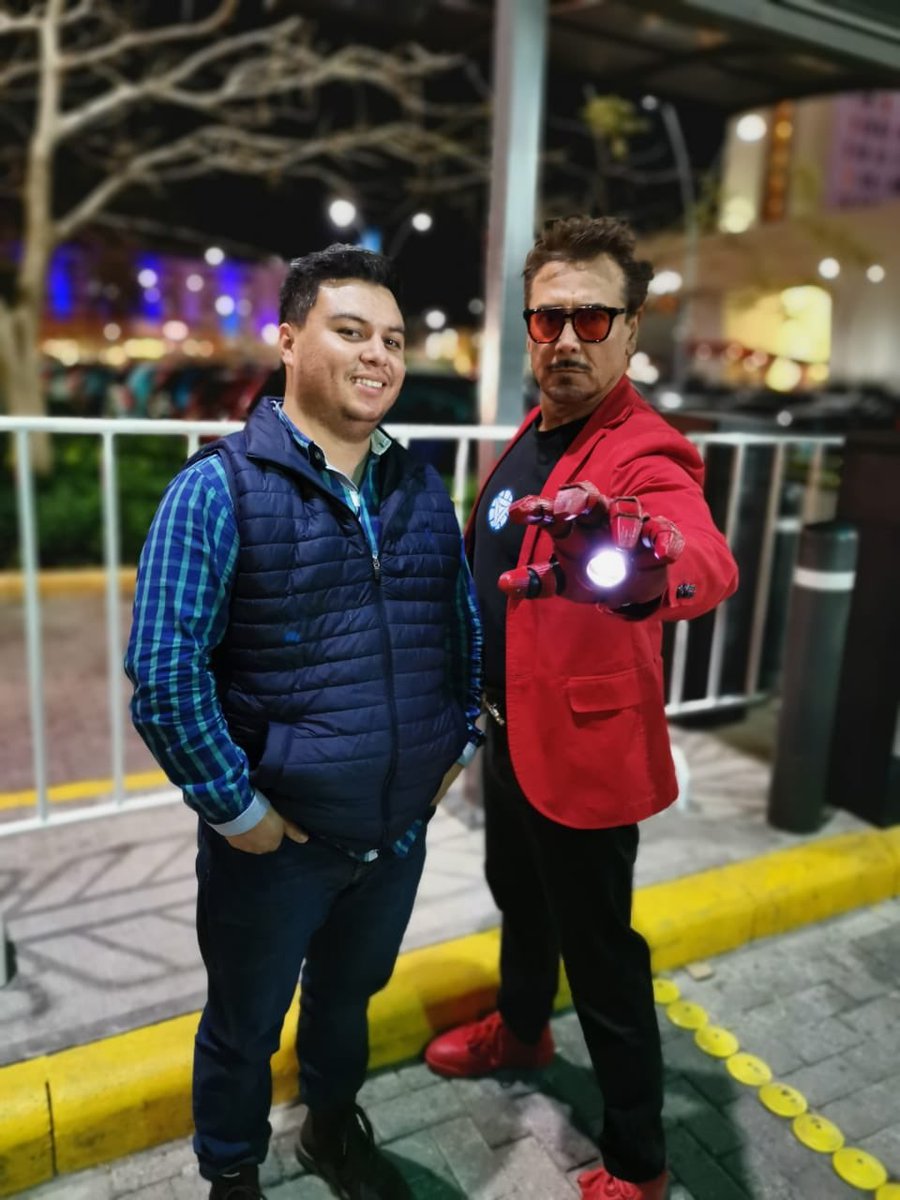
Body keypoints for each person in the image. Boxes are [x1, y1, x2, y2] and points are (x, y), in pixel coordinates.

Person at [125, 244, 482, 1200]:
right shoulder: (219, 489)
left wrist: (458, 745)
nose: (378, 356)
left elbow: (462, 630)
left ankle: (331, 1128)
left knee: (346, 1000)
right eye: (351, 331)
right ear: (288, 340)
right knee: (244, 1023)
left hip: (392, 834)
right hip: (276, 845)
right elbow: (163, 675)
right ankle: (232, 1171)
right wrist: (238, 812)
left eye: (393, 339)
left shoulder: (419, 488)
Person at [424, 216, 739, 1200]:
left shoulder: (643, 449)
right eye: (548, 317)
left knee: (603, 953)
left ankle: (639, 1161)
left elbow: (699, 553)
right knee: (520, 898)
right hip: (508, 735)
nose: (566, 337)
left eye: (591, 317)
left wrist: (643, 564)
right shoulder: (537, 430)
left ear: (631, 327)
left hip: (584, 750)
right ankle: (523, 1030)